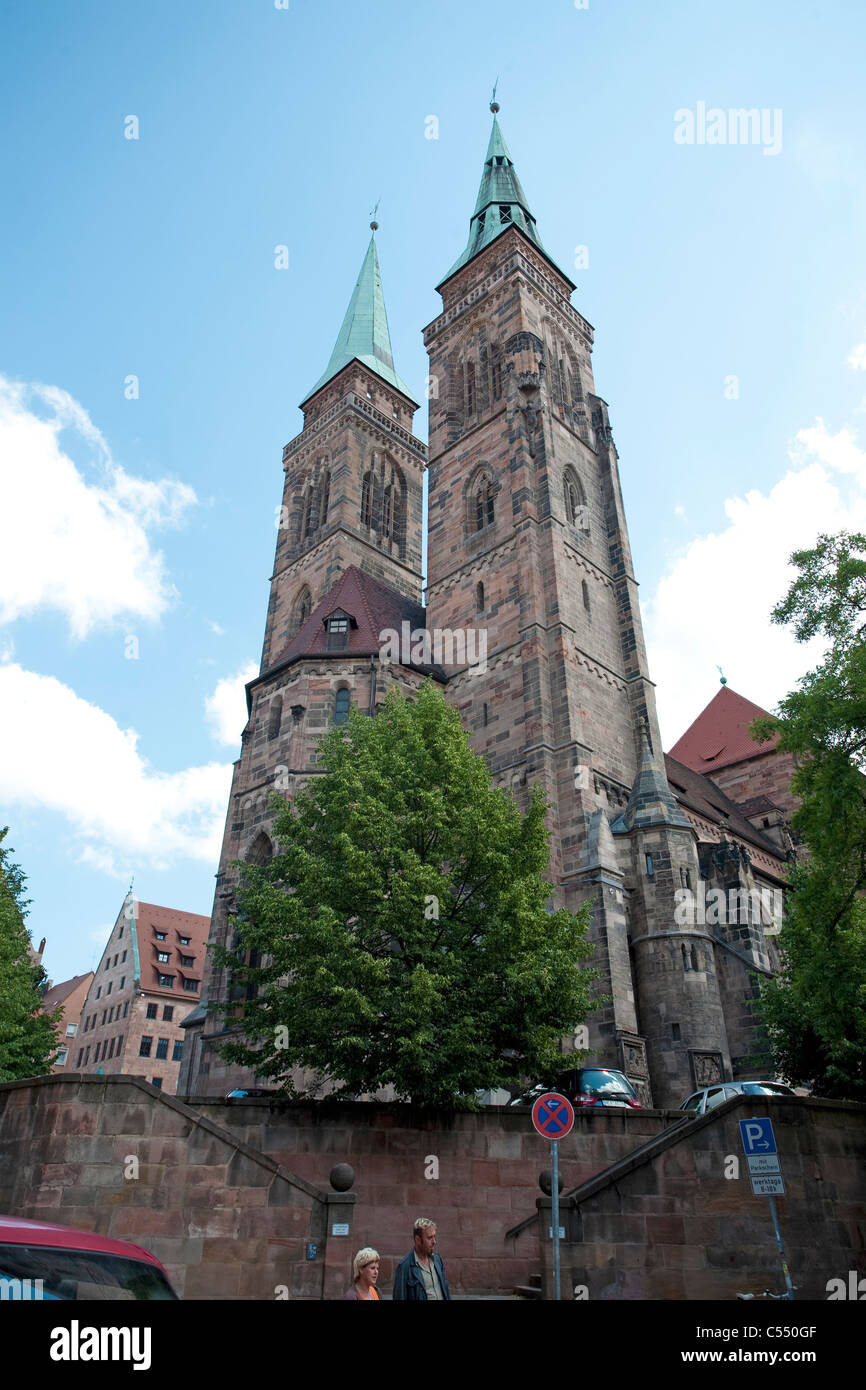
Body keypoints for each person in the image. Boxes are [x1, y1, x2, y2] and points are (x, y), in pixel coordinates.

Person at [392, 1218, 451, 1300]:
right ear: (418, 1240)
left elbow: (445, 1291)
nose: (434, 1241)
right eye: (430, 1238)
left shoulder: (437, 1260)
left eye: (434, 1236)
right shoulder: (405, 1267)